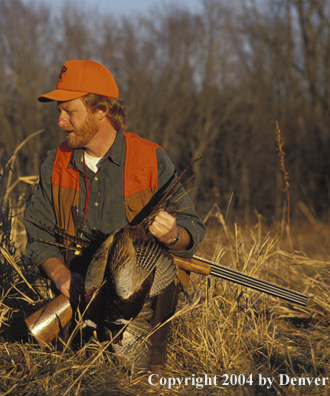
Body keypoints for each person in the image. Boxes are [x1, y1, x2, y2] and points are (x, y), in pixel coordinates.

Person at [24, 60, 206, 377]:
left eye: (69, 111)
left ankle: (148, 369)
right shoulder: (55, 162)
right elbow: (38, 236)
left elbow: (192, 229)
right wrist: (61, 276)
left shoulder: (149, 159)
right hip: (78, 291)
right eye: (59, 112)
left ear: (101, 110)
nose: (60, 121)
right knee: (69, 370)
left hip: (137, 295)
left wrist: (173, 233)